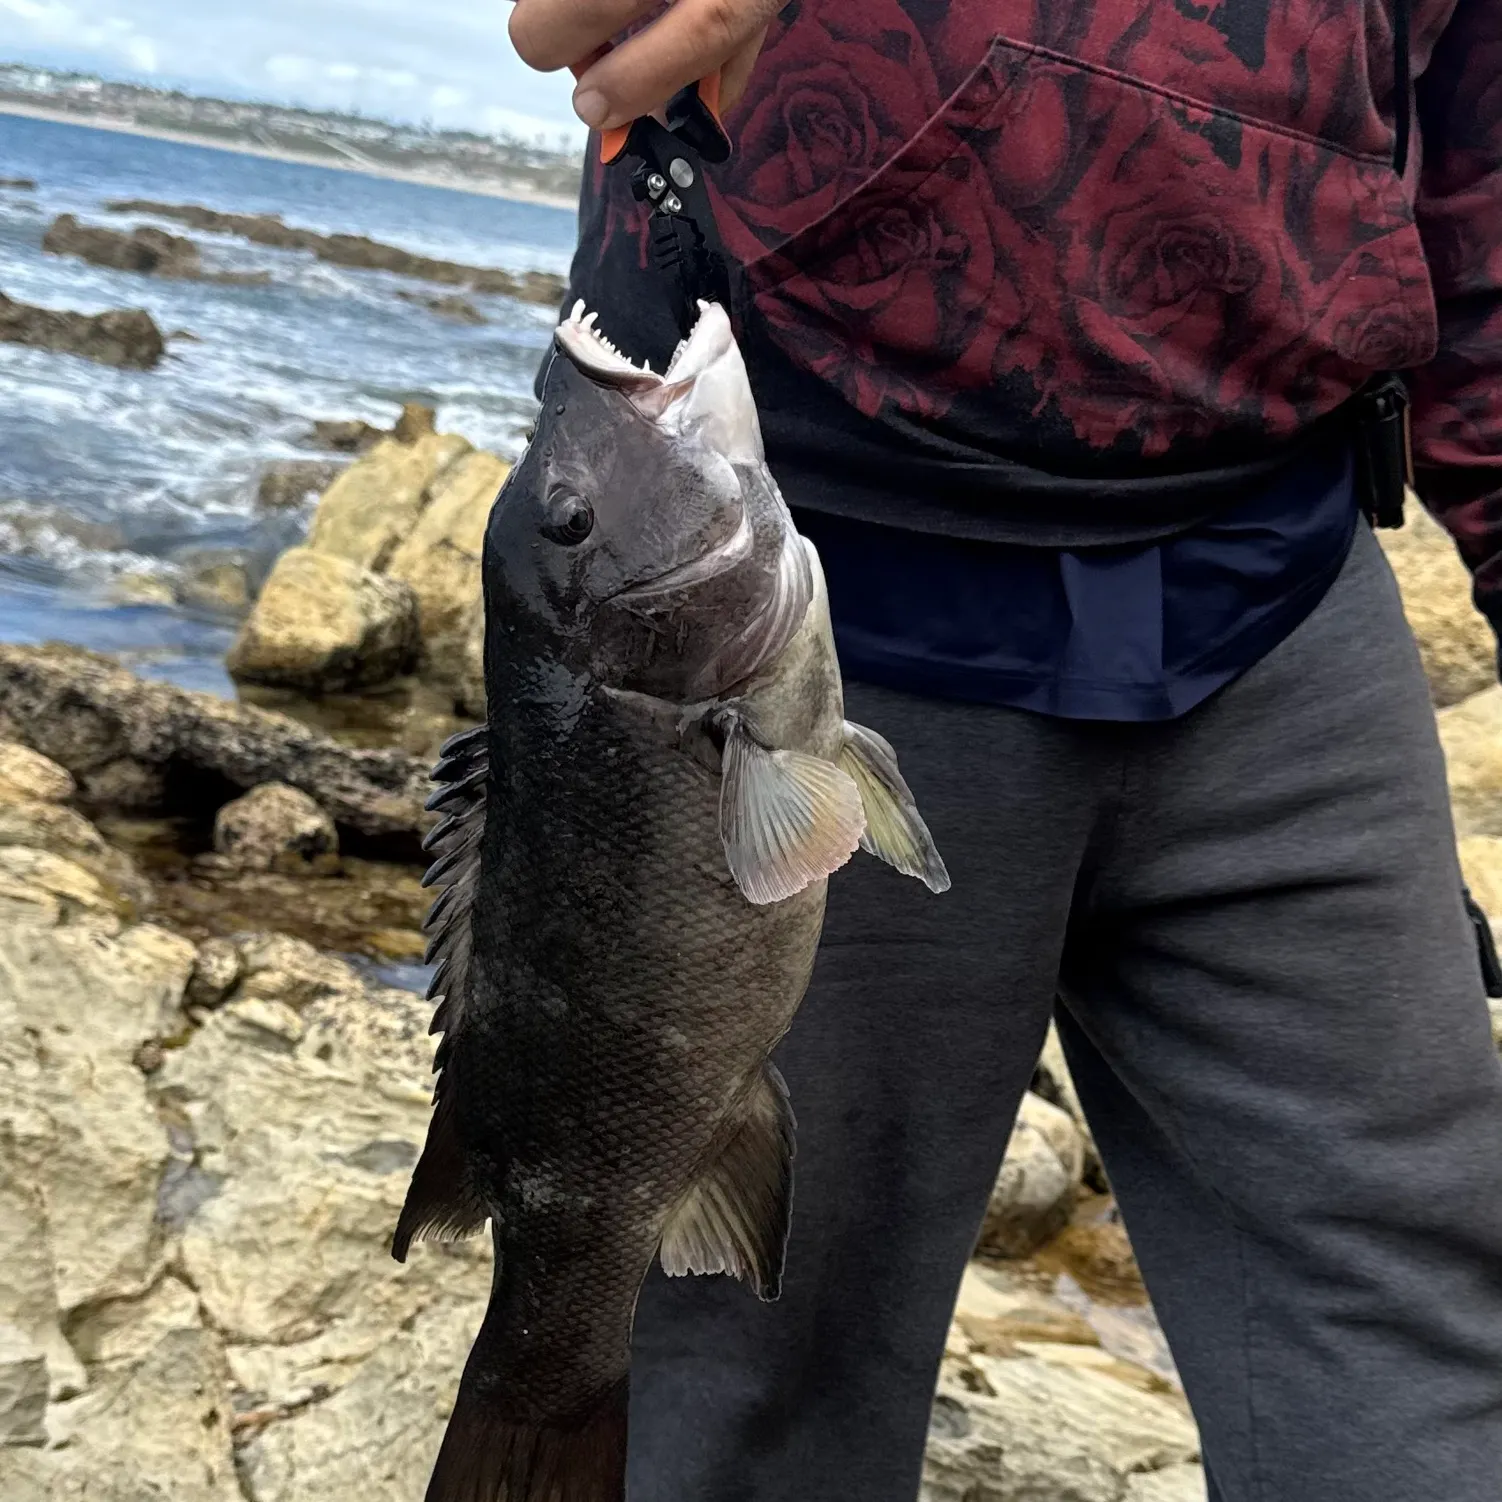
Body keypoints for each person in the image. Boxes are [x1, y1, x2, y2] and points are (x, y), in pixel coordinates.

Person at [508, 2, 1502, 1499]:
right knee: (749, 1372)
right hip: (802, 595)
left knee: (1417, 1327)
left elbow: (1480, 189)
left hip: (1282, 585)